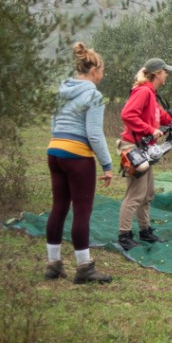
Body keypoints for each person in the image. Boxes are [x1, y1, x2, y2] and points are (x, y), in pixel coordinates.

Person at [45, 42, 114, 284]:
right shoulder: (93, 95)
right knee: (82, 211)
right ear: (94, 70)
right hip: (77, 156)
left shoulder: (61, 91)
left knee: (59, 208)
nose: (102, 77)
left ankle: (53, 264)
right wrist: (107, 165)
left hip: (55, 151)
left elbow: (54, 125)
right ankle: (84, 267)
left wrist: (58, 143)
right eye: (102, 72)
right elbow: (94, 134)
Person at [116, 58, 172, 251]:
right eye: (165, 71)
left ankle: (145, 231)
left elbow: (162, 116)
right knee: (135, 194)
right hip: (133, 147)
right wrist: (150, 130)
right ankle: (124, 235)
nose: (167, 74)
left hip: (144, 149)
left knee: (147, 193)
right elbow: (127, 114)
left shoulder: (151, 94)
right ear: (157, 73)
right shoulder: (143, 92)